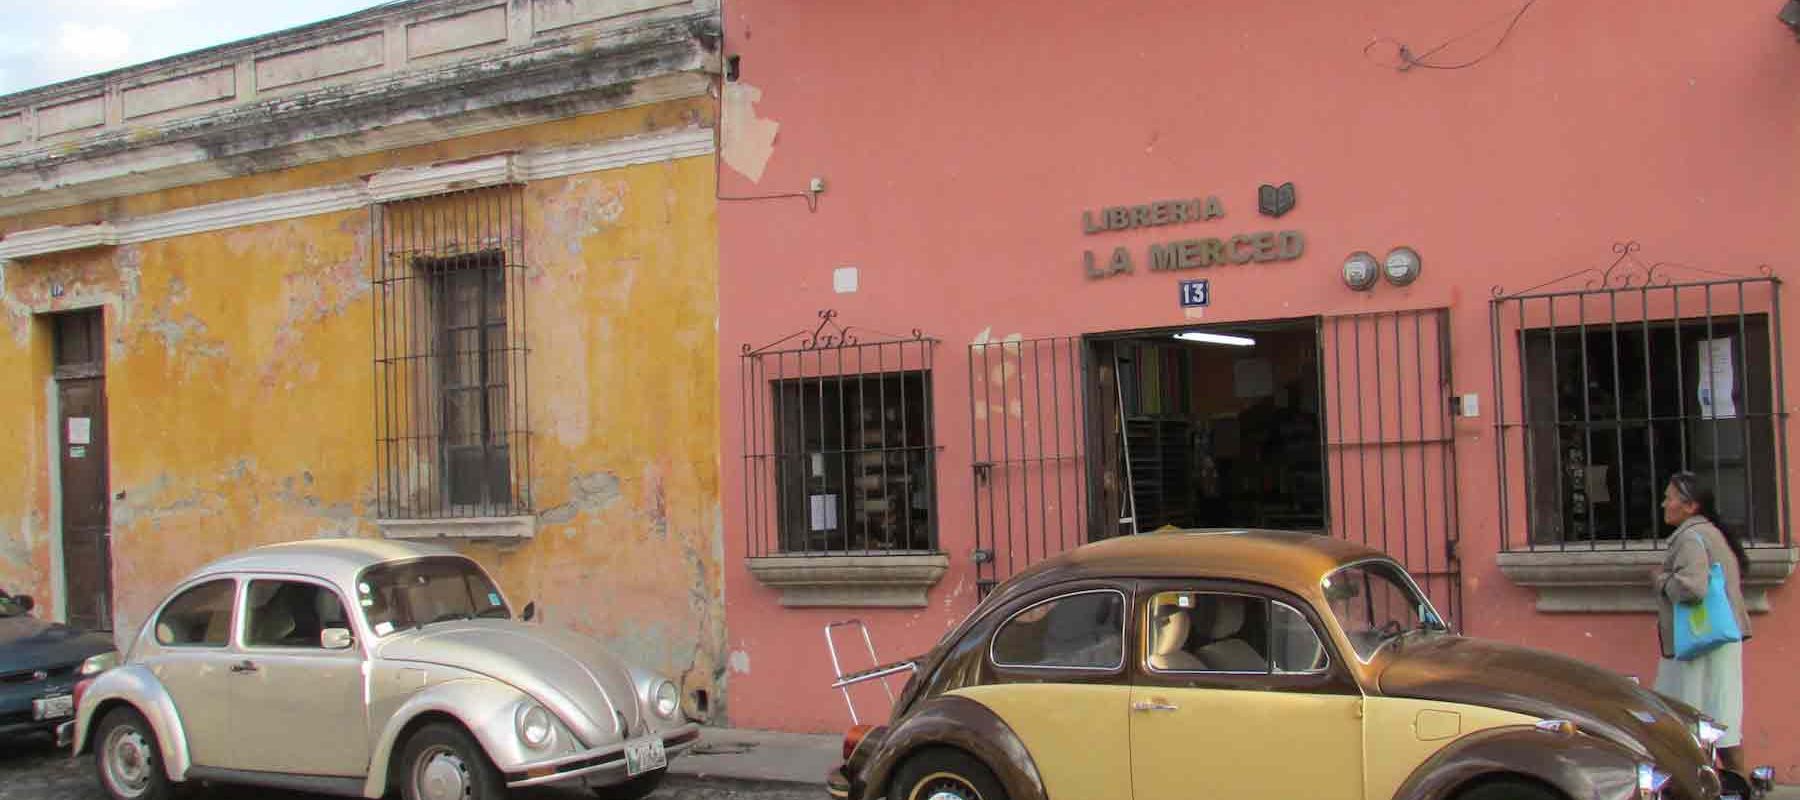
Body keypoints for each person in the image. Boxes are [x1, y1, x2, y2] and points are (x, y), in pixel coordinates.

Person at [1653, 471, 1752, 774]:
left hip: (1698, 644)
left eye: (1669, 498)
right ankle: (1738, 785)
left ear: (1690, 506)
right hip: (1715, 640)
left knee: (1694, 721)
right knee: (1718, 720)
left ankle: (1713, 787)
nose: (1663, 504)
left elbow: (1693, 588)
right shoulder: (1709, 533)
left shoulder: (1690, 538)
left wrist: (1662, 580)